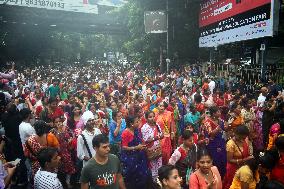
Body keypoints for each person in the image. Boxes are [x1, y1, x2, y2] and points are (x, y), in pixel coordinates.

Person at [120, 115, 151, 188]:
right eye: (137, 122)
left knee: (143, 175)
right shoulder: (125, 133)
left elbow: (141, 141)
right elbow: (124, 147)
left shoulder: (136, 130)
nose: (139, 123)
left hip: (140, 157)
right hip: (131, 159)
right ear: (131, 124)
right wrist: (136, 147)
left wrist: (145, 147)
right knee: (133, 178)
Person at [223, 125, 254, 189]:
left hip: (244, 167)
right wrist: (245, 160)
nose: (242, 140)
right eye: (240, 138)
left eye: (244, 138)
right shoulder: (230, 144)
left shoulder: (245, 139)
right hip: (233, 169)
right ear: (235, 134)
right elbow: (229, 160)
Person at [201, 106, 227, 178]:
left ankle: (222, 178)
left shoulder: (221, 120)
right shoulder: (207, 122)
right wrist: (218, 128)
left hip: (221, 142)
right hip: (213, 144)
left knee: (223, 161)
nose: (220, 113)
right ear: (213, 113)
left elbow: (225, 128)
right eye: (218, 112)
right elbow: (211, 134)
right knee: (216, 162)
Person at [141, 111, 163, 181]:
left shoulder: (156, 125)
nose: (152, 118)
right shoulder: (144, 127)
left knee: (159, 166)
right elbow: (145, 140)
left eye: (153, 116)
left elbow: (161, 134)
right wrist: (155, 138)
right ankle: (154, 182)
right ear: (146, 118)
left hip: (158, 149)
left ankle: (160, 180)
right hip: (150, 150)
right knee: (153, 167)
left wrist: (161, 136)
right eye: (150, 117)